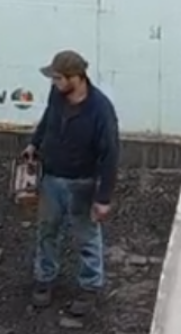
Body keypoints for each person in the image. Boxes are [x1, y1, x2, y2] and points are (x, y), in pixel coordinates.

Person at [21, 50, 120, 316]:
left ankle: (89, 287)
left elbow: (110, 155)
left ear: (76, 78)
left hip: (83, 184)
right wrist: (34, 143)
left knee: (87, 236)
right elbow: (47, 121)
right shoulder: (58, 96)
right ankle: (45, 279)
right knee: (47, 230)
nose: (53, 83)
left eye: (58, 78)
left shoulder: (101, 111)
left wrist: (103, 198)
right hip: (51, 177)